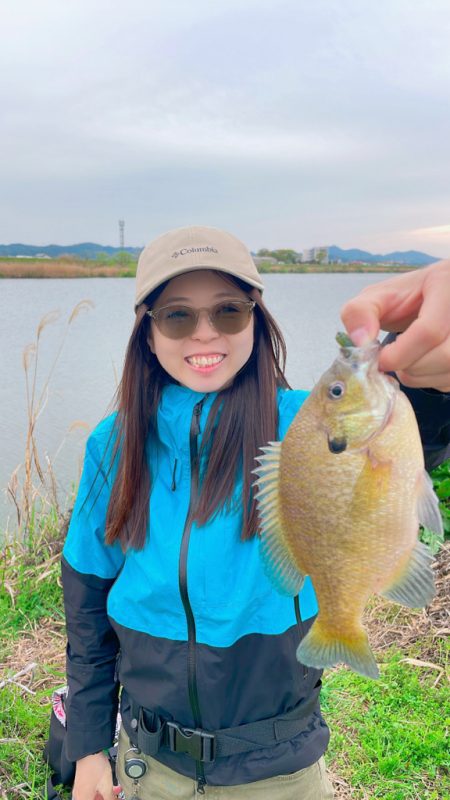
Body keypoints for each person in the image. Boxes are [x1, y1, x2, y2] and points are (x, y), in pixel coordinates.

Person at [61, 225, 450, 800]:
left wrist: (430, 374)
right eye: (176, 316)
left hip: (282, 768)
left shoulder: (304, 426)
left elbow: (409, 423)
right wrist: (89, 747)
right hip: (147, 762)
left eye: (228, 311)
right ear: (146, 333)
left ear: (257, 320)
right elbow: (87, 609)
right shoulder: (112, 444)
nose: (205, 333)